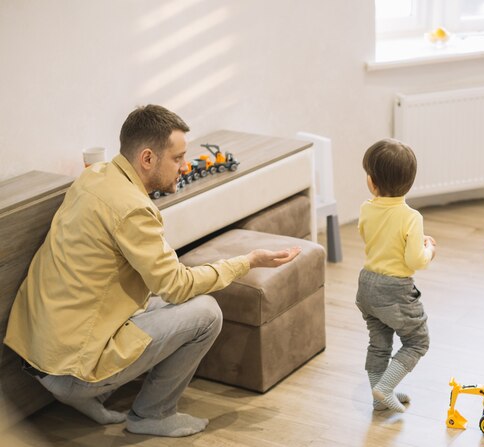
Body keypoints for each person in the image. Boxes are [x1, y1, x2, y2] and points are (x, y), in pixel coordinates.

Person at [4, 105, 301, 437]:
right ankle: (151, 414)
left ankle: (92, 395)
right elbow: (175, 286)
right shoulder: (132, 209)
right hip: (67, 370)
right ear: (147, 158)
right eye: (177, 158)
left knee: (155, 296)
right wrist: (247, 261)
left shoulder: (95, 175)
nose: (184, 166)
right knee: (205, 312)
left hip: (36, 353)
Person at [355, 138, 437, 413]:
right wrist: (428, 249)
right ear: (410, 182)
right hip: (395, 290)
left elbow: (371, 238)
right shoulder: (411, 217)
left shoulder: (367, 208)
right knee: (417, 340)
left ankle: (379, 398)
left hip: (366, 285)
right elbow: (415, 261)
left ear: (372, 182)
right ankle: (385, 387)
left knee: (379, 343)